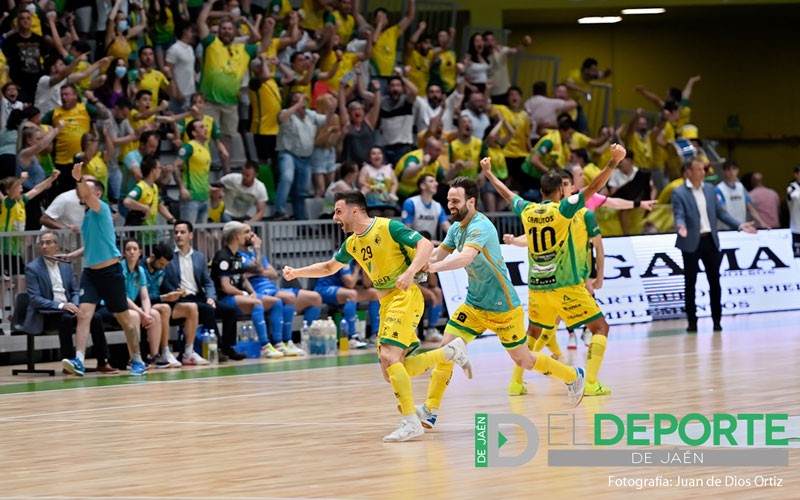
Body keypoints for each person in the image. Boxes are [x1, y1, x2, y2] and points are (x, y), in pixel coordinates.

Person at [283, 191, 473, 443]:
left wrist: (409, 273)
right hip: (387, 302)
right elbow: (330, 267)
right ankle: (450, 352)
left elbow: (426, 245)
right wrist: (297, 271)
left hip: (405, 296)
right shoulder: (352, 243)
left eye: (338, 211)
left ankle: (410, 422)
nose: (334, 216)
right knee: (391, 369)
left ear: (354, 210)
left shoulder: (388, 227)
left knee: (388, 356)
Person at [417, 177, 586, 427]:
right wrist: (418, 265)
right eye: (448, 200)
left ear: (471, 202)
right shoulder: (455, 228)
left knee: (524, 360)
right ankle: (430, 409)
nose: (450, 205)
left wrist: (433, 267)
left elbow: (464, 258)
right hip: (474, 304)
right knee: (446, 349)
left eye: (455, 201)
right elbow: (438, 252)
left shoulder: (481, 226)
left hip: (503, 308)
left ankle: (573, 375)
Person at [483, 144, 627, 397]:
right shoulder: (564, 209)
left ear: (540, 192)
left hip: (537, 287)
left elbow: (507, 194)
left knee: (534, 332)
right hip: (565, 285)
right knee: (600, 328)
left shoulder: (527, 210)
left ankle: (516, 383)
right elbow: (593, 188)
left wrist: (489, 174)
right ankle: (591, 382)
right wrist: (613, 162)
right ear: (561, 190)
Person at [61, 167, 147, 376]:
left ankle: (137, 359)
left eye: (86, 189)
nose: (80, 192)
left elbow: (85, 193)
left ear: (97, 194)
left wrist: (79, 178)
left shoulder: (102, 208)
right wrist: (74, 255)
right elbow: (93, 244)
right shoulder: (88, 217)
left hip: (111, 273)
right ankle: (79, 360)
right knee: (83, 315)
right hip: (91, 274)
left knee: (124, 319)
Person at [673, 157, 757, 333]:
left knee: (715, 282)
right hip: (690, 242)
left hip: (710, 240)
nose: (703, 172)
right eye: (698, 169)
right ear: (688, 172)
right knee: (690, 283)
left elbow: (721, 213)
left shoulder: (710, 190)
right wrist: (680, 226)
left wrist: (739, 225)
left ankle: (717, 320)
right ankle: (692, 322)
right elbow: (679, 214)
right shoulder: (679, 192)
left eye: (703, 169)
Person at [24, 231, 117, 374]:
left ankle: (102, 361)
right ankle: (69, 363)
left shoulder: (65, 265)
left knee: (95, 317)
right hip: (48, 313)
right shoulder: (32, 268)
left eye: (48, 242)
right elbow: (35, 299)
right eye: (41, 243)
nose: (44, 246)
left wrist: (74, 304)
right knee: (66, 319)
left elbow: (75, 290)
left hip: (70, 308)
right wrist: (62, 305)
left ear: (57, 245)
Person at [164, 220, 246, 361]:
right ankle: (218, 348)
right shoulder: (169, 257)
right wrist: (175, 292)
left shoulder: (199, 257)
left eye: (182, 232)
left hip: (198, 297)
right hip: (180, 299)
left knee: (229, 311)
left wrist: (211, 297)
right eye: (176, 232)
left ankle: (228, 346)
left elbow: (207, 282)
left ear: (190, 235)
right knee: (207, 310)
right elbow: (164, 282)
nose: (178, 235)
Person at [241, 230, 322, 355]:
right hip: (259, 292)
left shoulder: (256, 255)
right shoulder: (239, 256)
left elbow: (273, 274)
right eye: (248, 232)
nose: (252, 235)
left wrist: (257, 270)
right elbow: (249, 273)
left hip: (274, 290)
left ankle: (304, 340)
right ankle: (284, 341)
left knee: (315, 298)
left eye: (252, 232)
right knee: (288, 297)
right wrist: (259, 265)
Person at [142, 242, 207, 366]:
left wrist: (178, 292)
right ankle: (165, 352)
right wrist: (163, 298)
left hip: (160, 302)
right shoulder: (141, 269)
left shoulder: (161, 270)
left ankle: (188, 352)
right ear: (153, 256)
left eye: (165, 265)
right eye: (161, 264)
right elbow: (141, 297)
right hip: (146, 306)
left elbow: (167, 286)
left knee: (192, 307)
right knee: (165, 307)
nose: (162, 267)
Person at [715, 160, 768, 230]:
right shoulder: (719, 189)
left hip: (742, 227)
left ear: (737, 170)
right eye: (728, 169)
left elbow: (750, 208)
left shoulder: (740, 187)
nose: (731, 172)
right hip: (725, 228)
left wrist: (762, 223)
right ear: (723, 171)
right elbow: (723, 211)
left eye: (734, 169)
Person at [788, 166, 800, 259]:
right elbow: (794, 196)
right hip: (797, 228)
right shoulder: (791, 187)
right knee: (797, 257)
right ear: (796, 174)